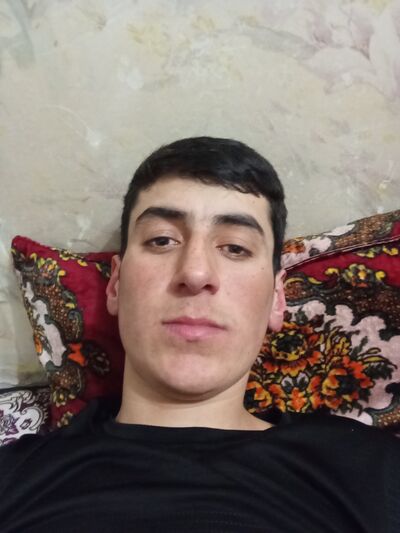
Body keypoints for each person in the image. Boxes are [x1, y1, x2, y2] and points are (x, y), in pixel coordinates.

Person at [0, 137, 399, 533]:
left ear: (277, 299)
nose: (195, 273)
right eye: (162, 240)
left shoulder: (373, 471)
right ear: (116, 285)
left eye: (236, 248)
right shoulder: (15, 477)